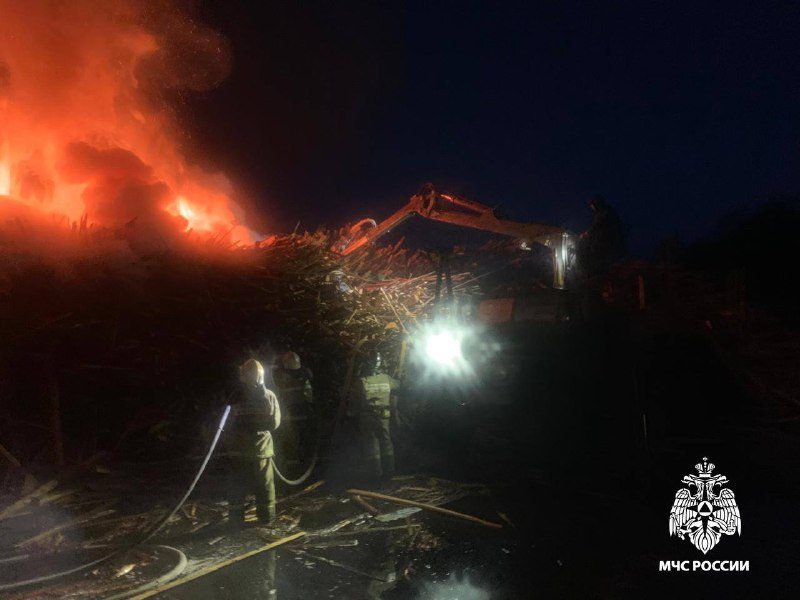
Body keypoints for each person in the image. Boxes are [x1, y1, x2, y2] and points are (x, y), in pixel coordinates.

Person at [225, 358, 281, 527]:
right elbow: (274, 423)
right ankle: (266, 518)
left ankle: (236, 519)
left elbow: (225, 424)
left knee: (236, 485)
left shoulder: (233, 397)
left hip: (237, 450)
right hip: (260, 450)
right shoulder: (268, 396)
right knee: (264, 487)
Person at [348, 351, 400, 482]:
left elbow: (355, 401)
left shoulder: (361, 381)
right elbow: (399, 385)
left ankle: (376, 475)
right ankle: (390, 473)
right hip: (384, 417)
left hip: (368, 418)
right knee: (387, 443)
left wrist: (351, 412)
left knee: (372, 446)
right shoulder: (387, 378)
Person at [273, 351, 314, 465]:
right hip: (297, 411)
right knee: (299, 436)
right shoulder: (305, 372)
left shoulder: (282, 374)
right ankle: (299, 459)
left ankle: (298, 459)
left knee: (297, 436)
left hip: (295, 411)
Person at [576, 195, 626, 279]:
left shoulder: (604, 213)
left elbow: (597, 226)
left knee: (593, 251)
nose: (592, 209)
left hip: (605, 241)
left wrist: (586, 234)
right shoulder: (605, 213)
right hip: (606, 241)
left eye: (592, 206)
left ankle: (592, 272)